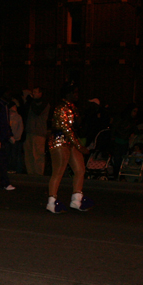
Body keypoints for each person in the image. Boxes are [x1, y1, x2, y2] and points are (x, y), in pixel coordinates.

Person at [46, 82, 92, 213]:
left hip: (70, 140)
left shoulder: (71, 107)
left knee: (80, 169)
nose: (77, 95)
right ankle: (52, 200)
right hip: (59, 140)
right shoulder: (61, 107)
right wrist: (79, 145)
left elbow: (74, 128)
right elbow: (65, 128)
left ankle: (77, 199)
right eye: (75, 92)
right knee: (58, 171)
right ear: (68, 94)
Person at [23, 87, 50, 175]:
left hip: (39, 132)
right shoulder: (31, 103)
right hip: (29, 131)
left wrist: (31, 101)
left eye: (35, 92)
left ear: (40, 93)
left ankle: (39, 174)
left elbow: (38, 111)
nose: (33, 94)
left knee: (38, 155)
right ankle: (30, 173)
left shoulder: (44, 103)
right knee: (29, 154)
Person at [8, 101, 24, 173]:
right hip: (7, 139)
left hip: (16, 139)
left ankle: (13, 168)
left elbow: (20, 128)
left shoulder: (18, 117)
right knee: (8, 153)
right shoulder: (7, 117)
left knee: (14, 154)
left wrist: (17, 137)